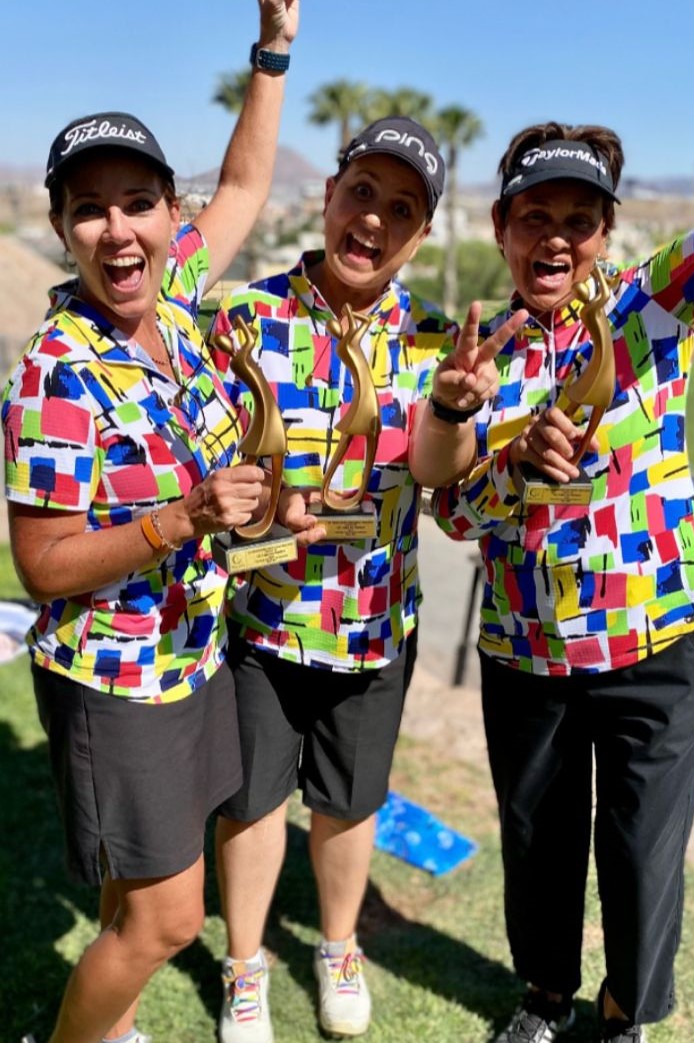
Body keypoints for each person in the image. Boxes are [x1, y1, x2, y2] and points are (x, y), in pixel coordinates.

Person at [1, 4, 299, 1042]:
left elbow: (253, 183)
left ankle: (110, 1023)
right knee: (171, 919)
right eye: (91, 209)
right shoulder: (56, 374)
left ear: (172, 214)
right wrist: (183, 516)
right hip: (118, 677)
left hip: (192, 652)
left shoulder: (171, 305)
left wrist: (273, 48)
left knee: (139, 895)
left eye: (138, 203)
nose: (117, 230)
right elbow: (41, 566)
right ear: (62, 225)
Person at [209, 115, 527, 1043]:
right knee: (252, 802)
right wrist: (263, 511)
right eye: (362, 195)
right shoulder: (245, 317)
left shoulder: (439, 343)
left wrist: (453, 407)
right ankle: (244, 966)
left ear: (422, 233)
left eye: (402, 208)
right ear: (327, 198)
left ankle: (338, 946)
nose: (375, 222)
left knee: (349, 806)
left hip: (374, 625)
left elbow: (436, 474)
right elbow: (209, 469)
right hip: (262, 620)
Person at [431, 121, 694, 1043]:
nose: (555, 236)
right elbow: (451, 512)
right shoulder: (478, 354)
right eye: (535, 217)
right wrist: (513, 459)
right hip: (527, 648)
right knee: (538, 845)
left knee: (643, 852)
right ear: (500, 226)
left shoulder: (656, 305)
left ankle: (621, 1014)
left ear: (608, 229)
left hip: (658, 641)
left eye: (578, 218)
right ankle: (545, 997)